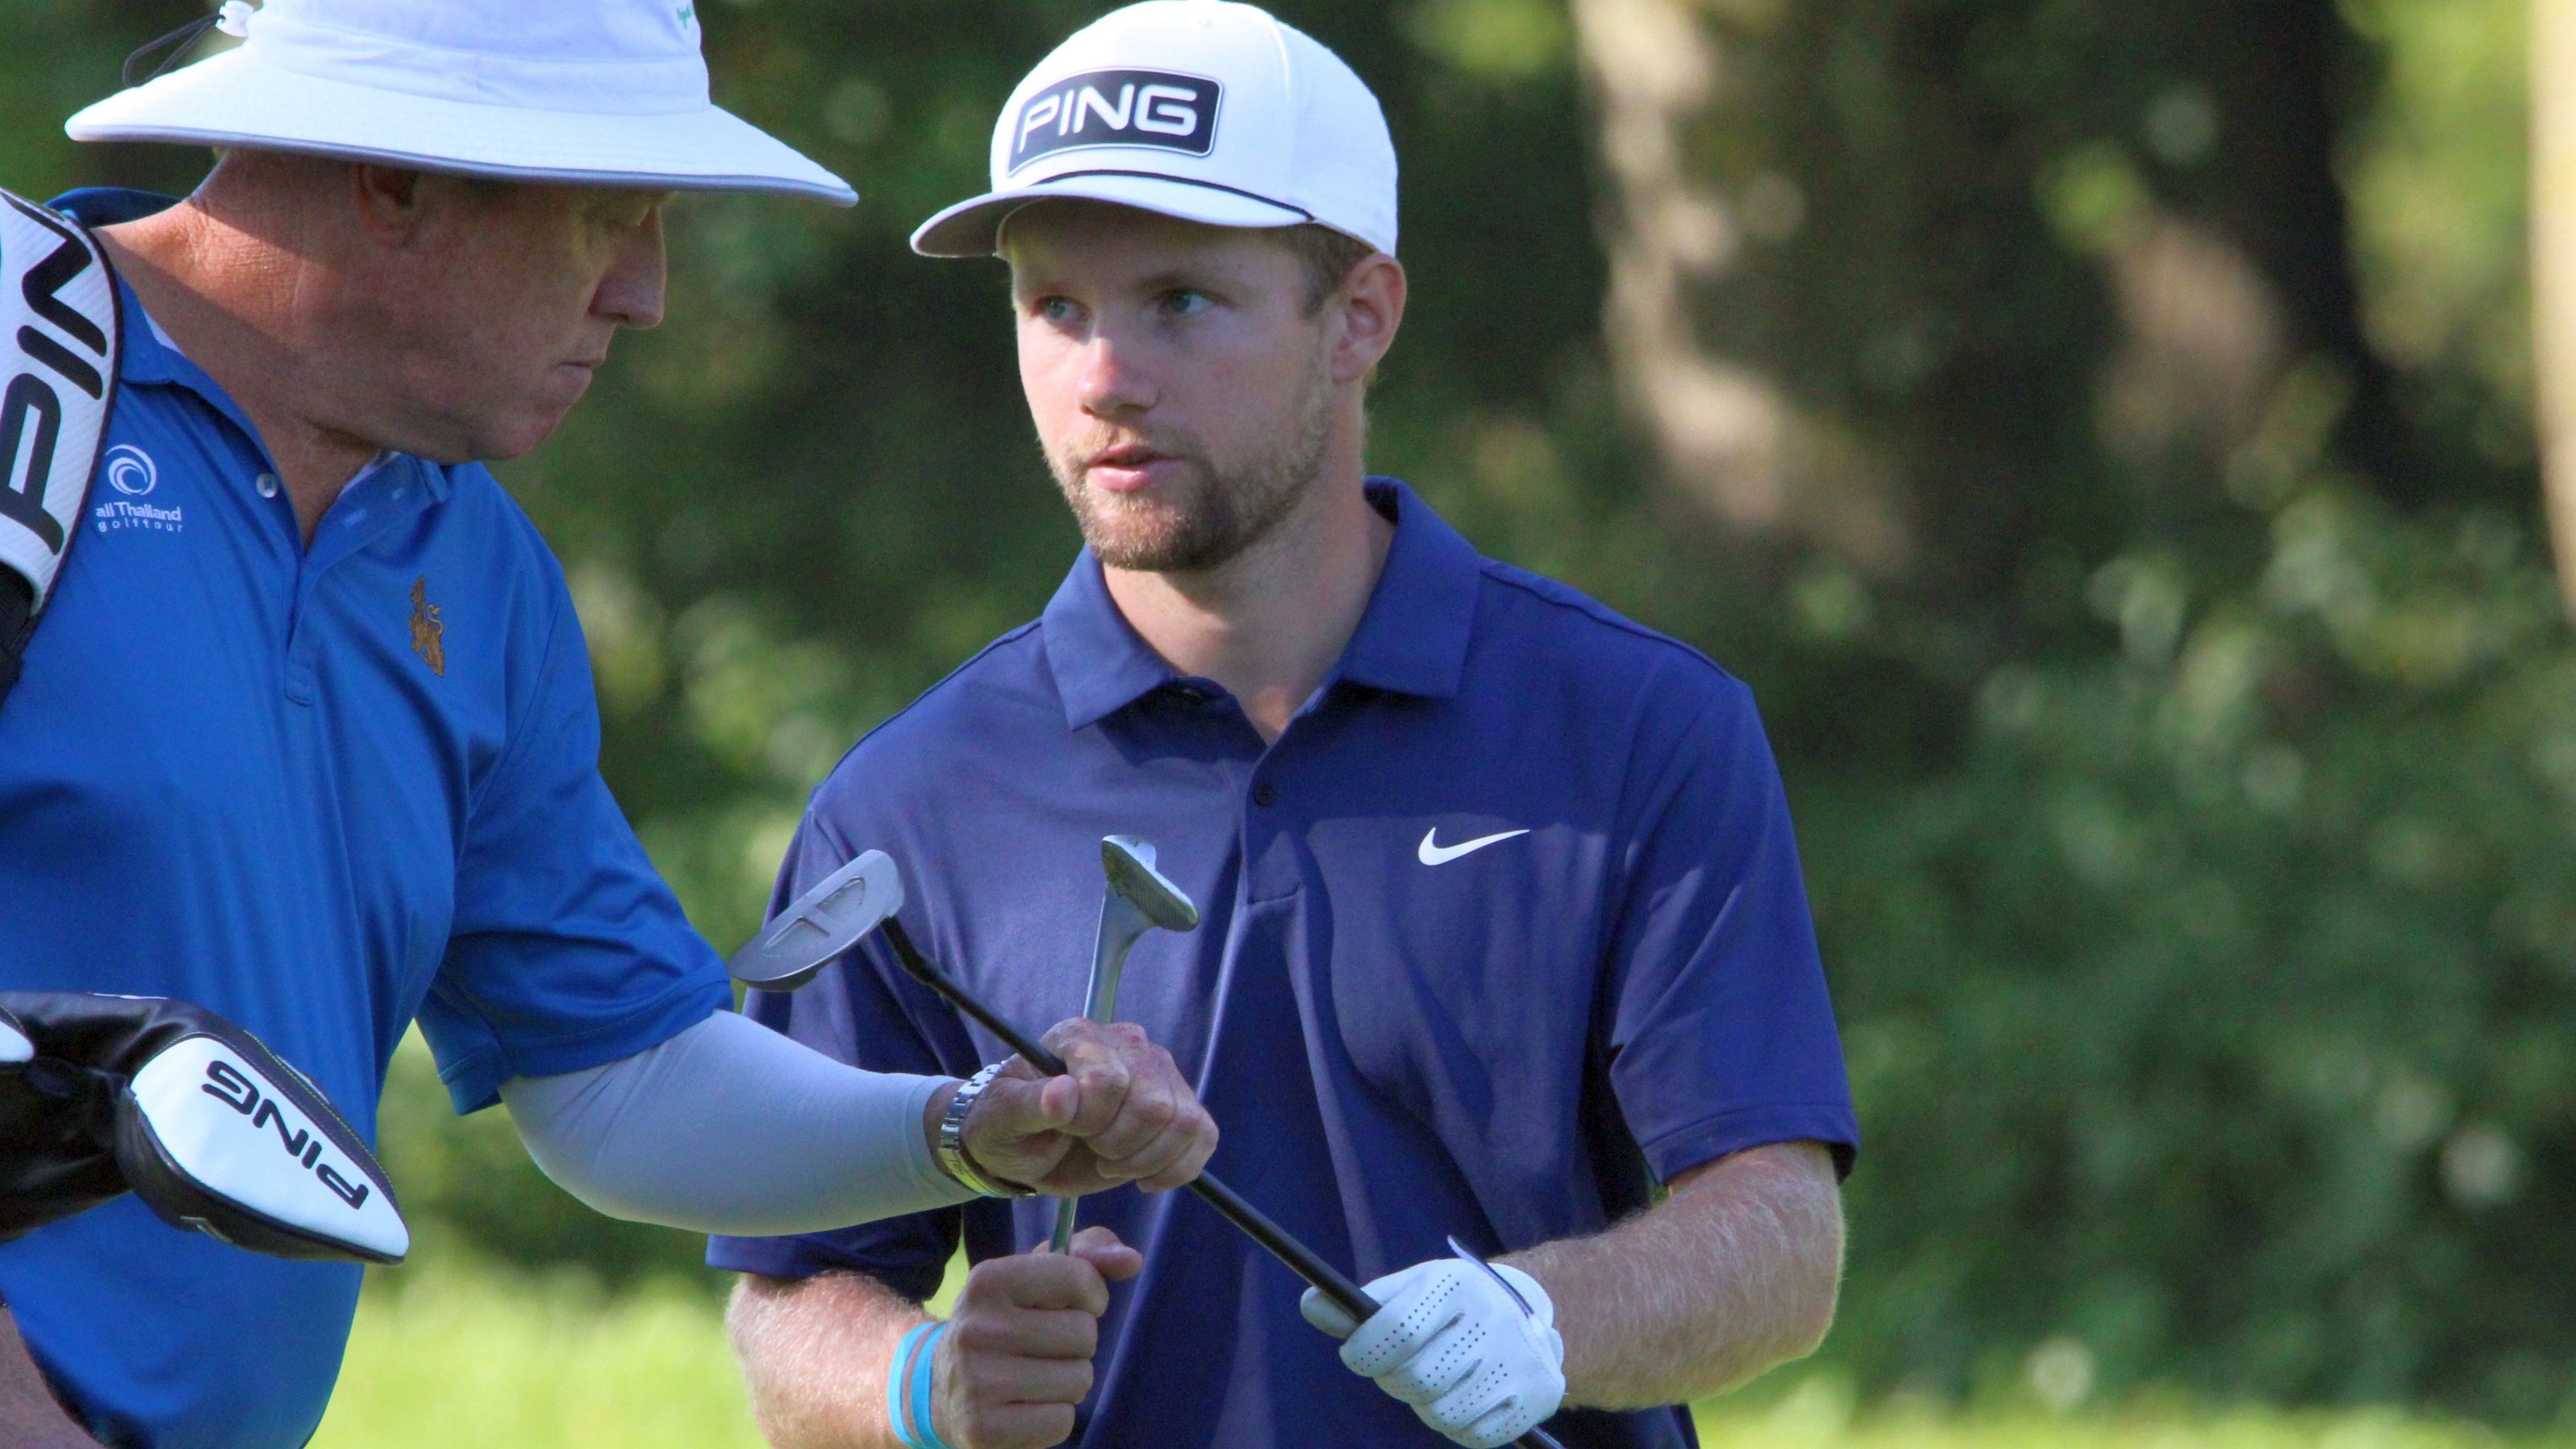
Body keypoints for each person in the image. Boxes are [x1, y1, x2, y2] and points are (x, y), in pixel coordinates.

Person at [0, 2, 1221, 1446]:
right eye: (607, 217)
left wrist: (964, 1126)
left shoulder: (478, 563)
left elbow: (616, 1079)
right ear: (392, 179)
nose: (645, 294)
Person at [711, 4, 1859, 1447]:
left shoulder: (1640, 727)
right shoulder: (913, 797)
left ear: (1360, 316)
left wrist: (1542, 1322)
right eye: (1056, 306)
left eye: (1182, 300)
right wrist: (920, 1385)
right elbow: (792, 1298)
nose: (1104, 374)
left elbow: (1779, 1236)